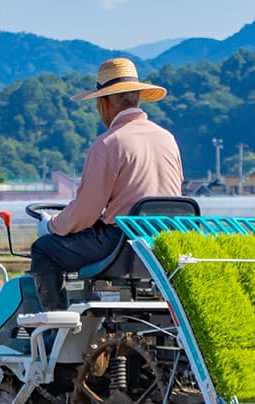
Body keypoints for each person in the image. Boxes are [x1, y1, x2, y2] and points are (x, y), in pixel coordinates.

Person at [30, 57, 183, 311]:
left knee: (44, 250)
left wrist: (51, 225)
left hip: (121, 242)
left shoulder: (109, 143)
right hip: (162, 241)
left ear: (104, 103)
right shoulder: (168, 139)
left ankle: (54, 332)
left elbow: (86, 213)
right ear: (138, 98)